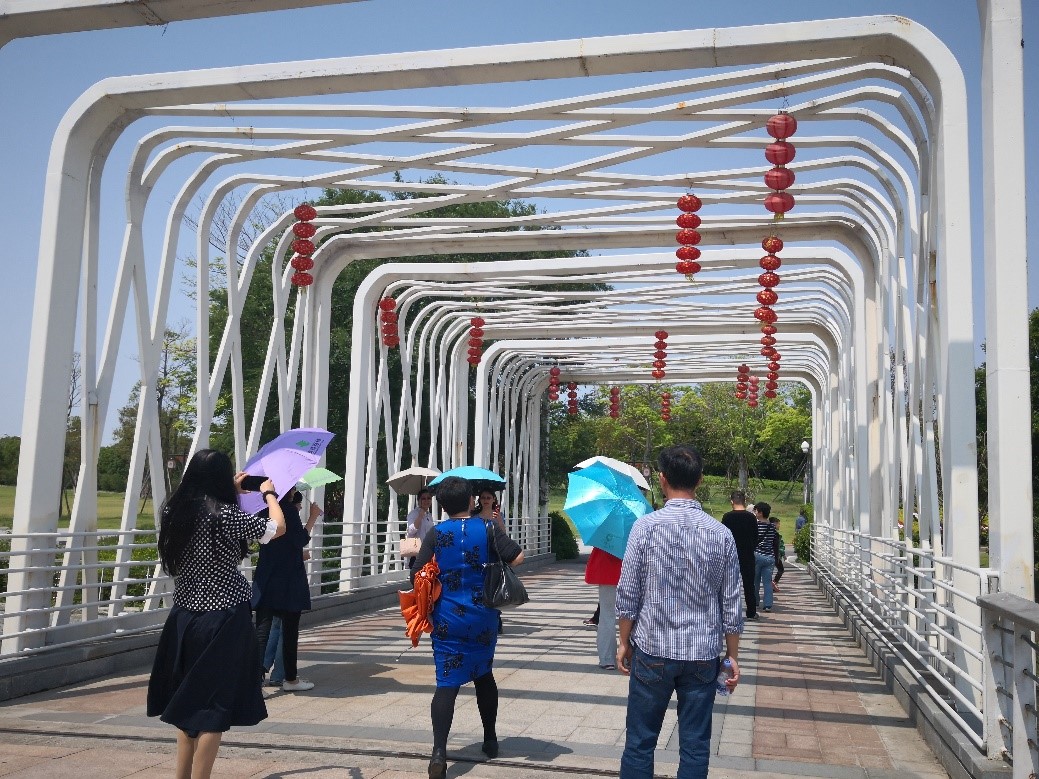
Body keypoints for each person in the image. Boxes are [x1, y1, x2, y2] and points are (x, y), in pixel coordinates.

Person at [147, 449, 285, 779]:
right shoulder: (224, 514)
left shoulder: (174, 510)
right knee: (214, 705)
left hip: (184, 617)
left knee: (189, 702)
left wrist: (232, 494)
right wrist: (269, 494)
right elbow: (276, 528)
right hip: (225, 618)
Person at [616, 444, 743, 779]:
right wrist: (732, 656)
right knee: (695, 745)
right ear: (699, 480)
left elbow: (628, 593)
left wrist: (624, 641)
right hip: (702, 654)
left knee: (640, 742)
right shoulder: (721, 534)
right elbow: (732, 601)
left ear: (662, 479)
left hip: (652, 649)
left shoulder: (645, 528)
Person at [411, 476, 524, 779]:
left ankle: (438, 753)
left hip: (447, 618)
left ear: (443, 506)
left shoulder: (436, 533)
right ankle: (490, 739)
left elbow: (417, 574)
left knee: (446, 683)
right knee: (484, 675)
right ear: (471, 500)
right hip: (482, 616)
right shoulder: (487, 528)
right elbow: (518, 557)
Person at [253, 487, 322, 693]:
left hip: (267, 576)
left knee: (262, 630)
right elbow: (299, 540)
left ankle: (255, 681)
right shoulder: (288, 510)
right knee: (290, 631)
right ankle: (290, 679)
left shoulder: (263, 509)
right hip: (289, 579)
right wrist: (312, 518)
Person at [721, 490, 758, 619]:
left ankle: (729, 612)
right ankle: (751, 612)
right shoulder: (751, 517)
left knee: (729, 584)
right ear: (744, 501)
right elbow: (755, 536)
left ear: (732, 501)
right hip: (747, 555)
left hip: (731, 555)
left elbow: (723, 537)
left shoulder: (727, 517)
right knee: (749, 584)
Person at [585, 547, 622, 669]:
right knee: (633, 617)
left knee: (607, 616)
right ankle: (632, 656)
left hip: (607, 569)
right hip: (633, 571)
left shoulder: (605, 535)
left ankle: (607, 659)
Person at [752, 502, 777, 613]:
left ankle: (755, 601)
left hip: (757, 555)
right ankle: (768, 605)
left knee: (755, 581)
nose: (755, 513)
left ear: (760, 513)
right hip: (770, 557)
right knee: (767, 582)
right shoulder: (772, 526)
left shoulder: (755, 525)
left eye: (756, 511)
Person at [405, 488, 435, 570]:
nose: (426, 501)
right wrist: (420, 516)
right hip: (416, 553)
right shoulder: (414, 513)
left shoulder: (429, 515)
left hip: (427, 551)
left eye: (428, 498)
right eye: (423, 498)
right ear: (418, 501)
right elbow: (411, 531)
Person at [771, 516, 785, 592]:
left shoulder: (771, 533)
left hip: (772, 555)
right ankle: (773, 583)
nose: (779, 525)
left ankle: (773, 583)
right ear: (774, 524)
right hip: (775, 555)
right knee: (781, 569)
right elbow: (777, 546)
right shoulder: (775, 534)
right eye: (778, 524)